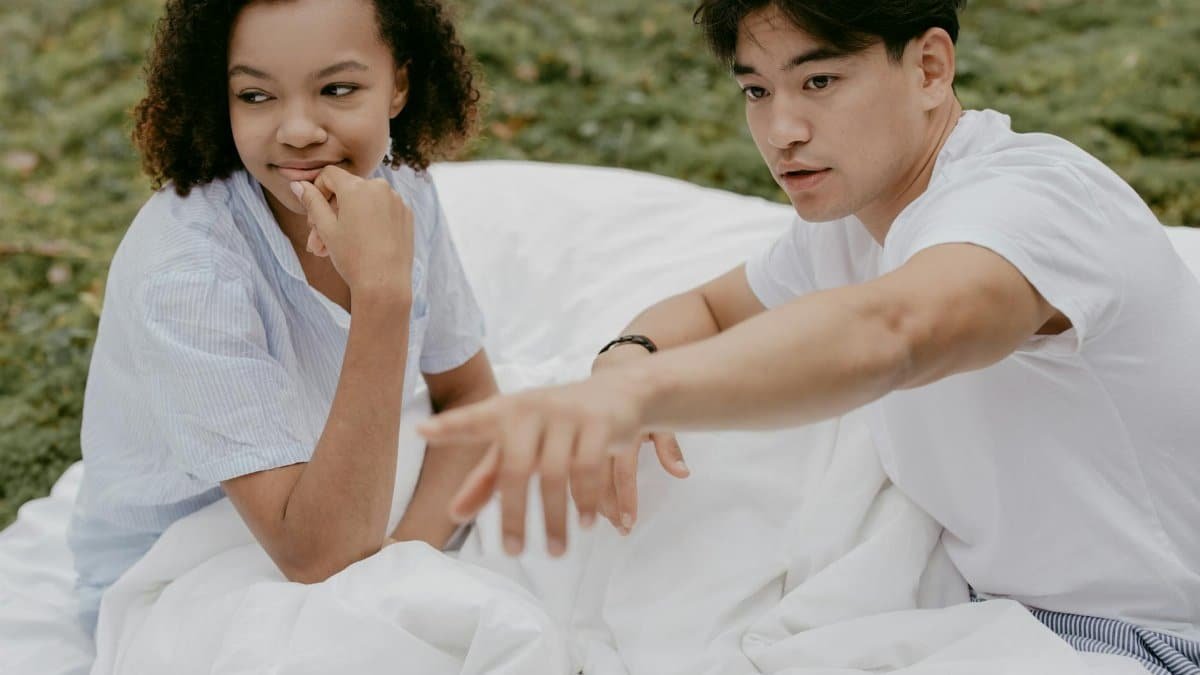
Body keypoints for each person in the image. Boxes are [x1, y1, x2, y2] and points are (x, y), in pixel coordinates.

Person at [418, 0, 1200, 667]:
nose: (781, 129)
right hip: (980, 608)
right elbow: (711, 310)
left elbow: (894, 331)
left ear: (930, 68)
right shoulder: (853, 222)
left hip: (1144, 639)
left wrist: (638, 399)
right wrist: (622, 367)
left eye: (819, 81)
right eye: (757, 90)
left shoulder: (1033, 201)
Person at [67, 0, 495, 634]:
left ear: (398, 85)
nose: (296, 130)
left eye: (338, 89)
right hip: (183, 569)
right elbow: (319, 559)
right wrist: (382, 296)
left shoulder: (398, 187)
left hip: (336, 501)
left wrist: (411, 559)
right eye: (256, 95)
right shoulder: (189, 273)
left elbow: (469, 398)